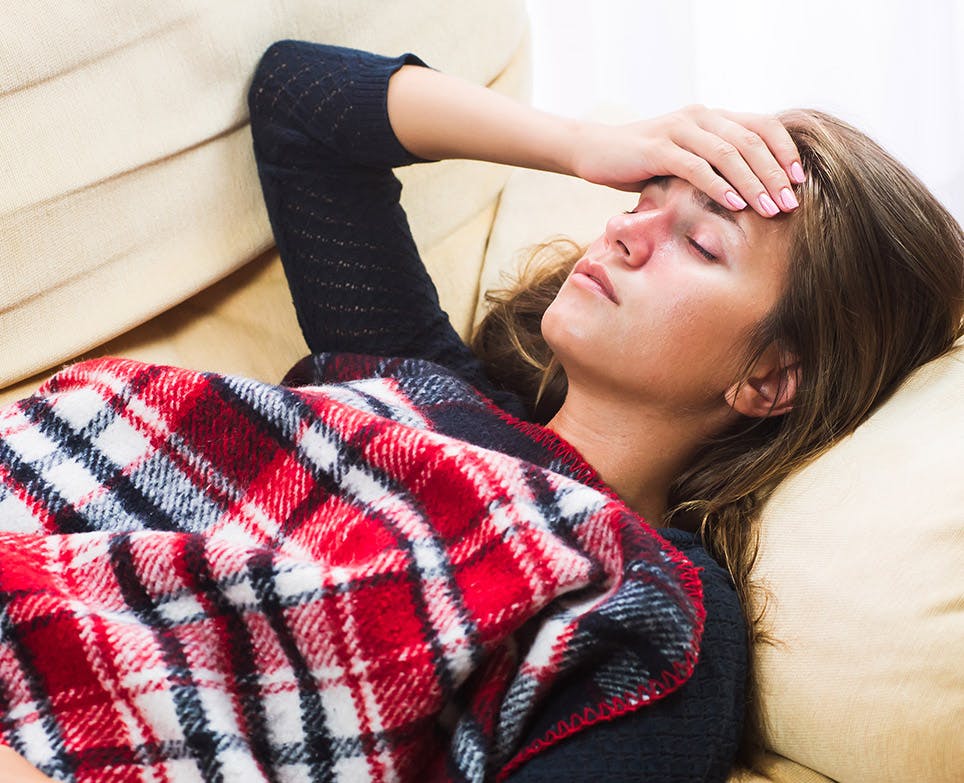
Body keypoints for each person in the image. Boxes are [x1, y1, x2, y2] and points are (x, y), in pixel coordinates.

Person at [0, 39, 961, 783]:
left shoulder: (655, 613)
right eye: (641, 197)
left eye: (699, 245)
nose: (626, 233)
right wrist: (584, 145)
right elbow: (297, 100)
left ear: (767, 380)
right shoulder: (425, 377)